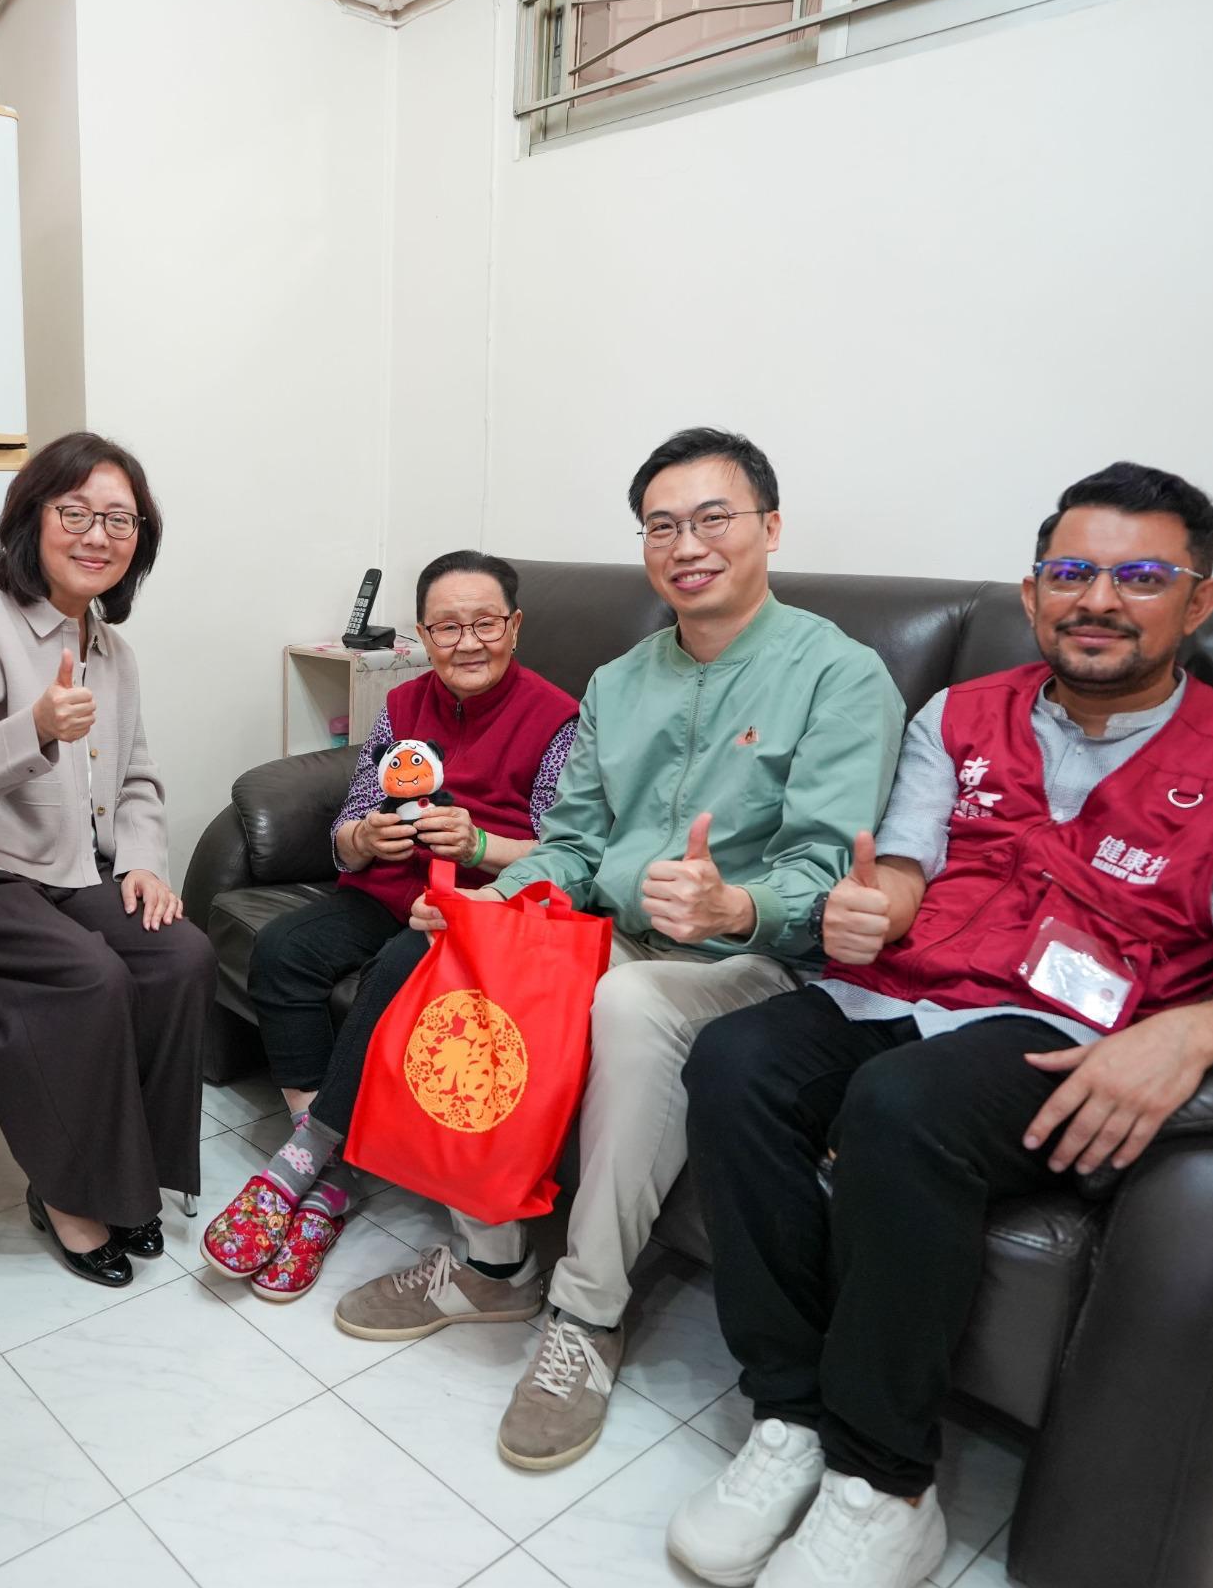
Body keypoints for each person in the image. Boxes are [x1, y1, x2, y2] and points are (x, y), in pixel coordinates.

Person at [670, 462, 1213, 1588]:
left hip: (1064, 1037)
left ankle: (886, 1483)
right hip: (911, 986)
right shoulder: (957, 716)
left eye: (1141, 576)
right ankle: (790, 1410)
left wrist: (1189, 1034)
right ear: (1034, 593)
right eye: (1071, 573)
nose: (1099, 600)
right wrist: (874, 907)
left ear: (1200, 600)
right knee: (735, 1059)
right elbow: (908, 866)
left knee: (902, 1103)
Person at [330, 428, 906, 1476]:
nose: (686, 543)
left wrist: (736, 899)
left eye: (712, 517)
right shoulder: (618, 680)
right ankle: (488, 1260)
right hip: (619, 925)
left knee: (633, 1004)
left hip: (758, 961)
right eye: (661, 525)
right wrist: (494, 903)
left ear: (768, 528)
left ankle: (587, 1313)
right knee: (475, 955)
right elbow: (574, 842)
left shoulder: (839, 675)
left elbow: (833, 871)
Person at [0, 431, 213, 1287]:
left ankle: (132, 1179)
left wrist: (142, 861)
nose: (98, 535)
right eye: (77, 513)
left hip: (56, 870)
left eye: (120, 520)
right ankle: (67, 1192)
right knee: (87, 974)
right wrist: (34, 731)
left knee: (178, 954)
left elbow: (136, 774)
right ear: (34, 518)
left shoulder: (114, 652)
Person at [201, 549, 580, 1300]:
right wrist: (362, 838)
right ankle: (333, 1175)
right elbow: (350, 821)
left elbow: (566, 848)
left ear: (516, 625)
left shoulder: (559, 718)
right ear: (424, 634)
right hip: (382, 890)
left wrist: (479, 846)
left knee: (402, 966)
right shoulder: (405, 707)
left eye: (485, 624)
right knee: (283, 950)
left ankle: (302, 1164)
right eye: (447, 627)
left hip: (473, 912)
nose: (468, 643)